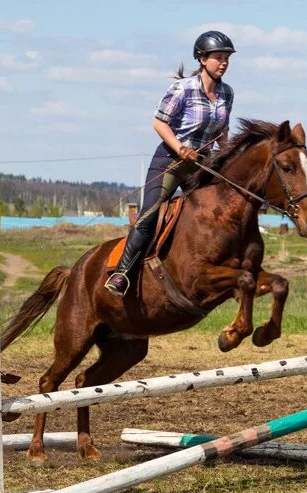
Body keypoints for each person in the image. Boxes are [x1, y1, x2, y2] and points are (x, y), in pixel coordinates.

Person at [105, 30, 236, 296]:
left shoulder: (227, 93)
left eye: (226, 58)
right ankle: (122, 272)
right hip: (170, 161)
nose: (223, 63)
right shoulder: (183, 88)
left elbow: (223, 133)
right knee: (149, 216)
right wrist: (180, 148)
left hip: (202, 164)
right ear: (201, 59)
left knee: (219, 213)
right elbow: (159, 122)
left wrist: (228, 157)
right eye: (218, 57)